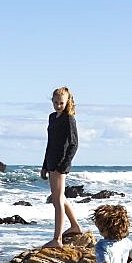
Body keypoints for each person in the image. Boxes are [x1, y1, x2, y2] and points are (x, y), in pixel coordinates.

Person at [40, 86, 81, 247]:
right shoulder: (52, 118)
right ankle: (75, 226)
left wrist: (63, 165)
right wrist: (44, 165)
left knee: (57, 201)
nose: (58, 106)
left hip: (60, 164)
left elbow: (74, 144)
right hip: (50, 163)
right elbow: (50, 144)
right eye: (56, 102)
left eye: (61, 103)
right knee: (60, 198)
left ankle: (57, 239)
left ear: (67, 102)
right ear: (52, 101)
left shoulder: (69, 118)